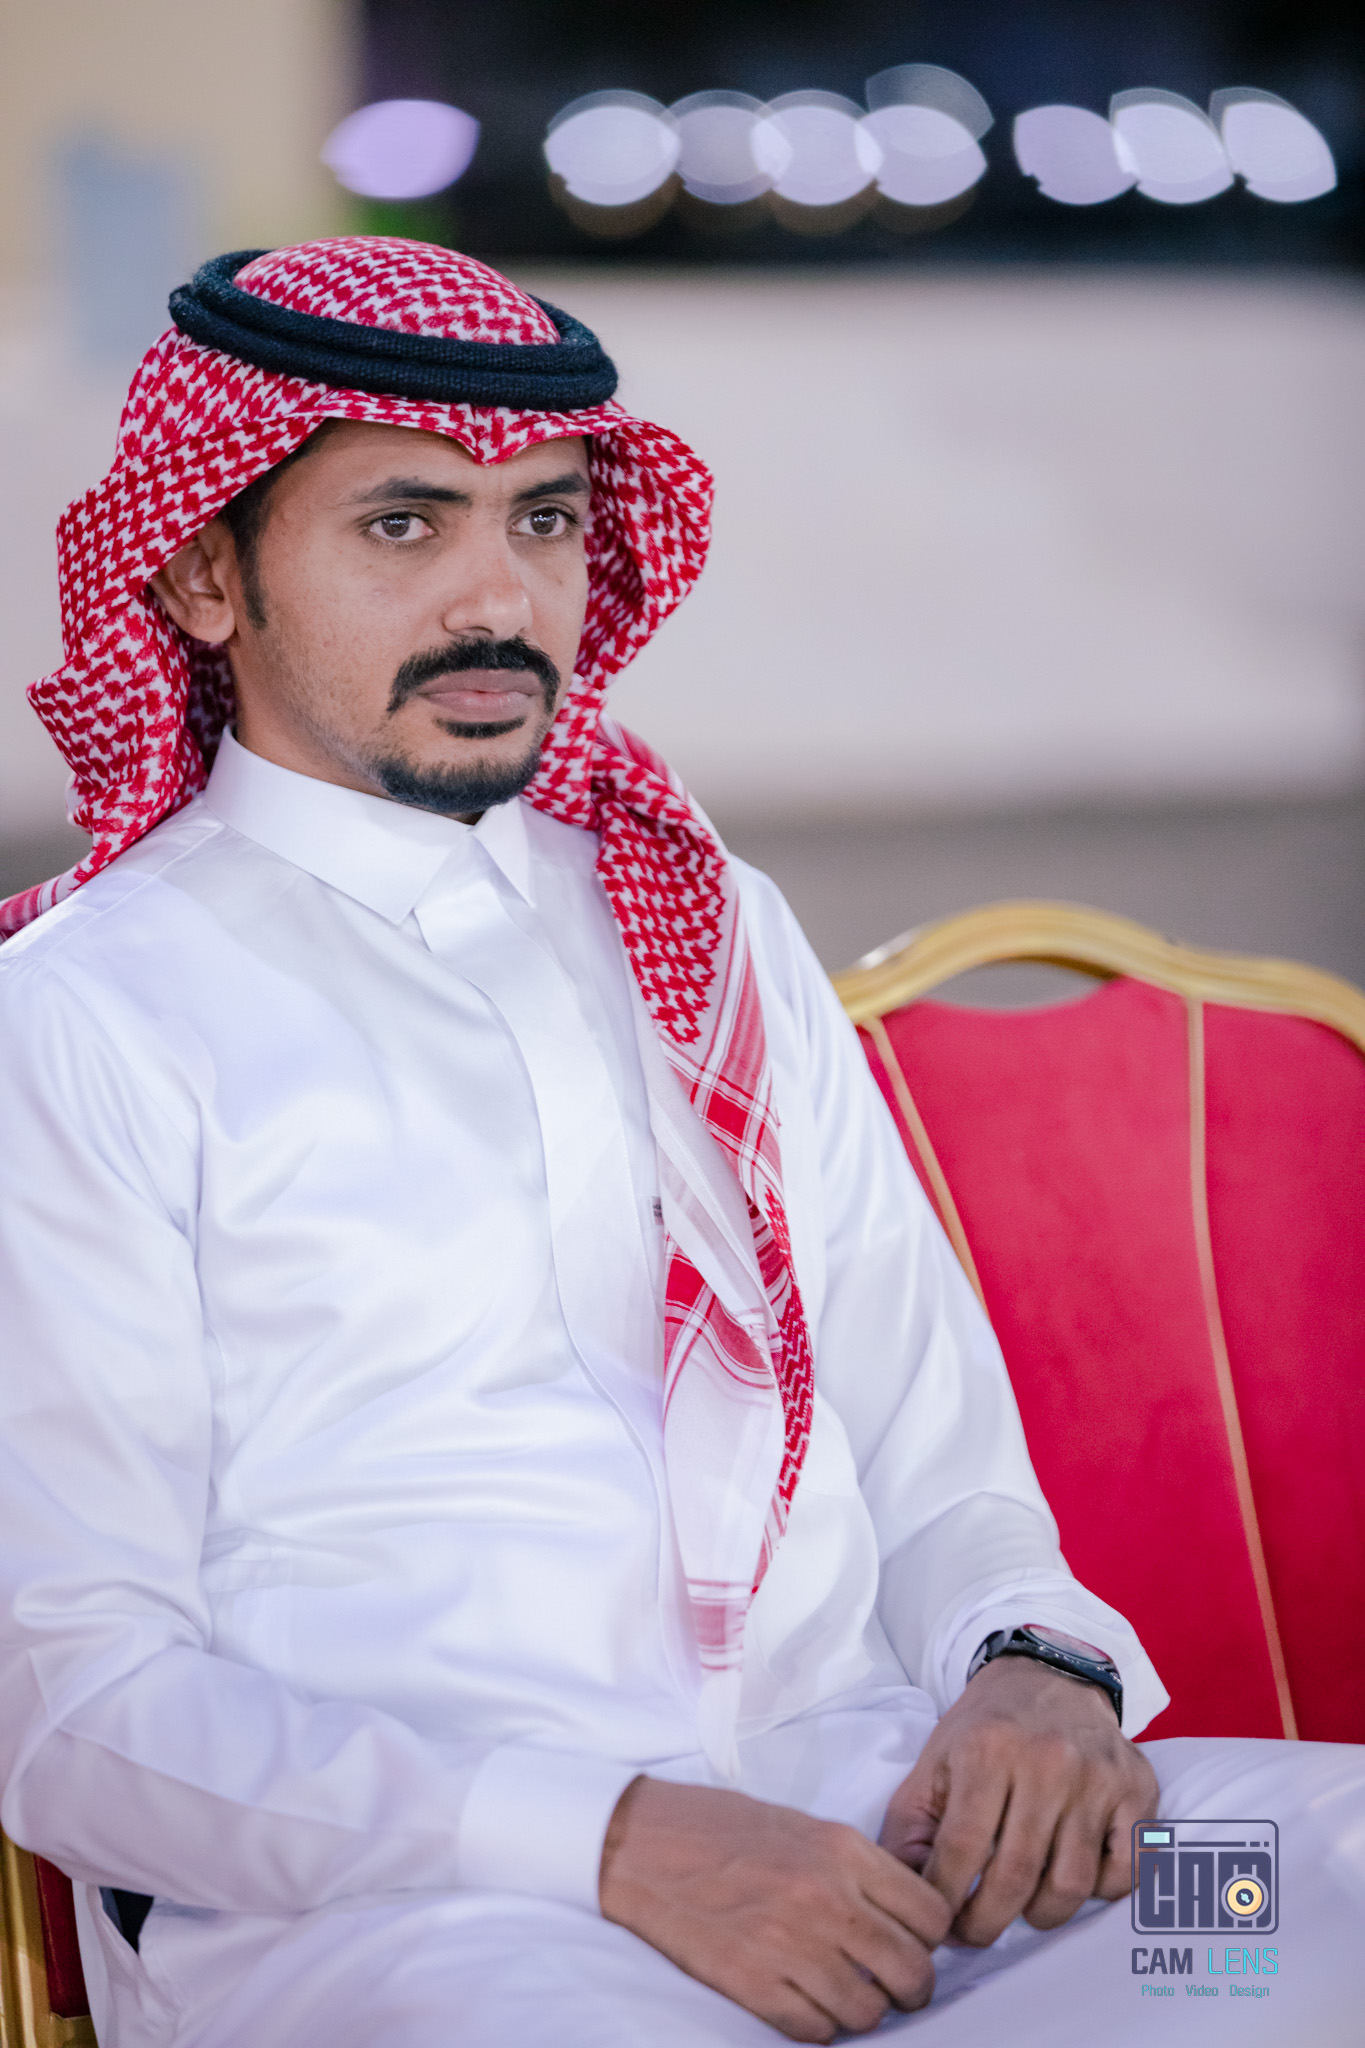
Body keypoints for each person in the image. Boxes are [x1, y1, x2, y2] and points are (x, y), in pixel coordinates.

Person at [0, 239, 1358, 2048]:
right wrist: (617, 1843)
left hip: (898, 1840)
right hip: (442, 1923)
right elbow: (78, 1706)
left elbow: (933, 1452)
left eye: (545, 521)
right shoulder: (83, 1018)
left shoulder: (706, 927)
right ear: (200, 573)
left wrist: (1036, 1669)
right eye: (404, 525)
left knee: (1315, 1891)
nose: (502, 596)